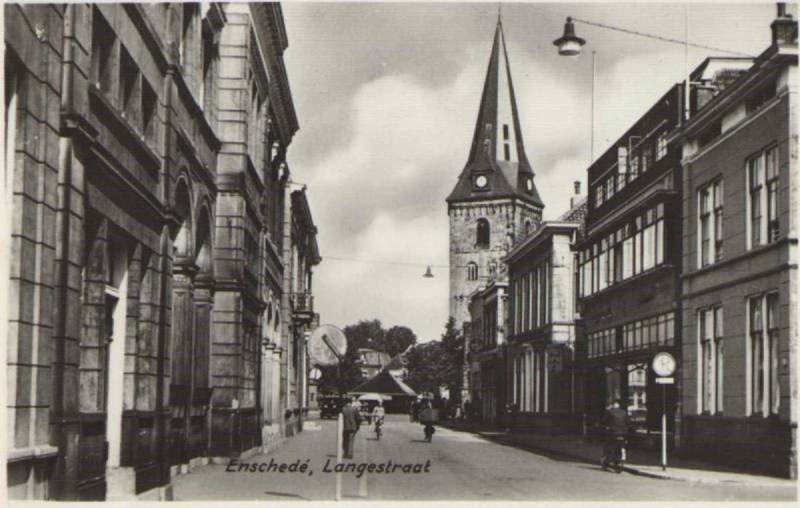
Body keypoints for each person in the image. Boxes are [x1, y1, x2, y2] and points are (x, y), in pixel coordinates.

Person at [602, 399, 628, 464]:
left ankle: (607, 458)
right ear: (619, 405)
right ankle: (620, 455)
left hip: (613, 432)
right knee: (621, 444)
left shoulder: (610, 412)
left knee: (608, 444)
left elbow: (604, 421)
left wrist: (605, 426)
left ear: (613, 405)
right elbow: (627, 422)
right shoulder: (624, 412)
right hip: (623, 433)